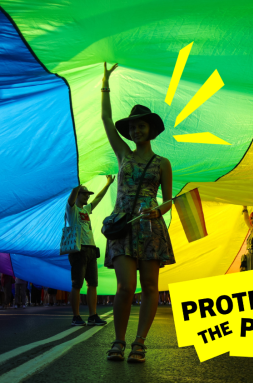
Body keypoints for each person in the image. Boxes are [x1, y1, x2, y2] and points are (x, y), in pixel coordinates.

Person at [101, 62, 175, 363]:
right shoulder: (123, 154)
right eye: (133, 126)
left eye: (141, 125)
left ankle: (140, 342)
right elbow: (105, 119)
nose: (136, 129)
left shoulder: (163, 163)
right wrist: (105, 84)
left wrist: (158, 212)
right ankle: (118, 340)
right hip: (122, 226)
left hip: (150, 229)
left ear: (152, 130)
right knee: (124, 286)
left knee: (151, 287)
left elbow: (168, 201)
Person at [66, 176, 114, 327]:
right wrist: (77, 182)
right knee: (77, 285)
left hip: (91, 250)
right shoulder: (71, 209)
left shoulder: (86, 210)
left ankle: (93, 316)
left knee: (92, 284)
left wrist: (108, 184)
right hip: (78, 250)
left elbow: (98, 198)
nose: (88, 196)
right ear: (78, 194)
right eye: (85, 193)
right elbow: (73, 194)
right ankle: (76, 317)